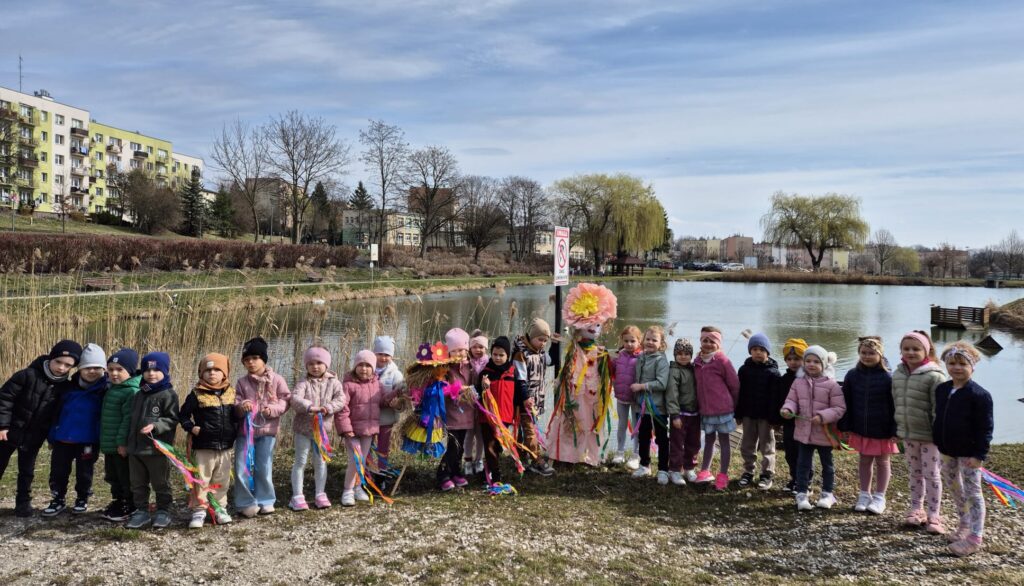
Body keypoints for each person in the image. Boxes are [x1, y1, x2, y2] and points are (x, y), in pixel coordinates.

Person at [0, 340, 82, 517]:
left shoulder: (65, 387)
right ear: (50, 358)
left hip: (34, 435)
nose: (61, 367)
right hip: (9, 431)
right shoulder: (26, 375)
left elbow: (57, 415)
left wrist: (51, 437)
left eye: (67, 365)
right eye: (58, 362)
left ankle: (23, 502)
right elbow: (5, 399)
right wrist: (3, 425)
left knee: (27, 470)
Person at [547, 283, 616, 467]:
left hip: (593, 393)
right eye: (590, 324)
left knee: (592, 419)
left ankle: (590, 455)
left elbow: (611, 372)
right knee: (572, 417)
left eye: (598, 325)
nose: (594, 328)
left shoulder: (601, 352)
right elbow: (568, 369)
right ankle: (567, 455)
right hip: (574, 391)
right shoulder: (573, 350)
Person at [934, 342, 992, 557]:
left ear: (972, 366)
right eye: (952, 363)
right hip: (947, 450)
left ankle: (975, 537)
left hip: (969, 453)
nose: (956, 368)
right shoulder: (942, 389)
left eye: (962, 364)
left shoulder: (979, 395)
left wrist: (979, 455)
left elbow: (985, 428)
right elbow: (939, 417)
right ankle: (964, 524)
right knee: (954, 487)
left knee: (973, 492)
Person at [43, 343, 108, 517]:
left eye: (97, 367)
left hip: (88, 441)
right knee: (58, 472)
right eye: (87, 368)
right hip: (63, 439)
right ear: (79, 368)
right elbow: (56, 415)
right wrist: (52, 437)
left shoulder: (106, 390)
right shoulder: (67, 388)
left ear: (103, 368)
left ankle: (82, 497)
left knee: (84, 472)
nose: (92, 371)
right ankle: (58, 498)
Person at [893, 330, 947, 533]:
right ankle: (916, 509)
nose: (910, 352)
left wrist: (939, 433)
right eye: (906, 348)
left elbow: (939, 408)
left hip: (930, 436)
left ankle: (934, 515)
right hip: (908, 433)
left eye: (916, 349)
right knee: (914, 473)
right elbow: (895, 402)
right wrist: (896, 427)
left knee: (932, 474)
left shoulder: (935, 376)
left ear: (926, 350)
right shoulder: (897, 374)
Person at [781, 345, 845, 511]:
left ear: (824, 364)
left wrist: (823, 417)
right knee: (803, 464)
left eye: (816, 361)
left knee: (827, 465)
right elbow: (792, 400)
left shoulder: (832, 385)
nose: (811, 364)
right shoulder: (798, 382)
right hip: (804, 432)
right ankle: (801, 493)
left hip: (824, 433)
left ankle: (827, 493)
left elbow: (839, 408)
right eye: (808, 360)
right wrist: (788, 409)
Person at [838, 336, 897, 515]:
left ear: (880, 354)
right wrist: (845, 425)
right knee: (864, 460)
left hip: (883, 429)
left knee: (883, 461)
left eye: (872, 353)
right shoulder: (852, 375)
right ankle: (864, 494)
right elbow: (846, 400)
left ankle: (880, 496)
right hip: (861, 428)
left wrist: (895, 429)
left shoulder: (888, 377)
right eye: (863, 353)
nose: (867, 356)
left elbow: (895, 405)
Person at [234, 336, 291, 518]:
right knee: (242, 466)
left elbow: (285, 401)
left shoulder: (277, 379)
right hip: (245, 432)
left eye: (255, 358)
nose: (251, 363)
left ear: (264, 359)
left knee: (264, 466)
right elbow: (235, 402)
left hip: (268, 431)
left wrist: (272, 409)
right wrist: (242, 405)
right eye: (247, 360)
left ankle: (265, 500)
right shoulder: (242, 382)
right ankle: (245, 502)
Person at [179, 353, 238, 528]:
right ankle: (199, 511)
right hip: (203, 446)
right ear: (201, 373)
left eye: (217, 370)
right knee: (202, 479)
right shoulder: (196, 394)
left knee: (222, 479)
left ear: (225, 373)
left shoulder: (232, 393)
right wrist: (191, 427)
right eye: (208, 370)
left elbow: (236, 416)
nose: (212, 373)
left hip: (226, 447)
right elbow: (182, 415)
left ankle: (219, 508)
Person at [125, 352, 179, 529]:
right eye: (148, 370)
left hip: (157, 451)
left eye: (156, 370)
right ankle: (141, 511)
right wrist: (127, 443)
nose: (151, 373)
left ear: (164, 371)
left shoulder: (168, 394)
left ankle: (163, 511)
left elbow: (172, 419)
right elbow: (131, 420)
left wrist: (156, 426)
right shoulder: (139, 393)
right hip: (136, 450)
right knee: (137, 483)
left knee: (161, 482)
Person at [289, 346, 346, 512]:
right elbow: (294, 399)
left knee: (320, 461)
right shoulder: (303, 383)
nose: (315, 366)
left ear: (326, 365)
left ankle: (320, 493)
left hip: (322, 431)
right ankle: (297, 496)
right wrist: (309, 406)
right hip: (303, 429)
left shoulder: (334, 382)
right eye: (311, 363)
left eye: (319, 363)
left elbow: (341, 399)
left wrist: (328, 408)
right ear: (306, 366)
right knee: (300, 460)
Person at [336, 350, 390, 505]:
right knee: (355, 460)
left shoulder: (377, 384)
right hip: (352, 431)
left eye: (368, 365)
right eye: (360, 365)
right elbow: (342, 408)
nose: (364, 369)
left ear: (373, 368)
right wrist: (346, 429)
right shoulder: (348, 385)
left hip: (368, 430)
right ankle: (347, 490)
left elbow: (384, 400)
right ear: (355, 367)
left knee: (362, 461)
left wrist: (396, 394)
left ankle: (358, 487)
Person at [692, 326, 740, 491]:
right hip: (706, 410)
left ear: (718, 343)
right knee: (709, 440)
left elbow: (734, 385)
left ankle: (723, 475)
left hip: (723, 410)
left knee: (724, 441)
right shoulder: (697, 362)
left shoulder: (722, 361)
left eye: (711, 341)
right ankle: (705, 471)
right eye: (704, 340)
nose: (707, 344)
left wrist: (734, 406)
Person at [476, 336, 527, 485]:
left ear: (507, 356)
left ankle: (489, 467)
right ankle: (495, 475)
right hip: (488, 417)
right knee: (490, 444)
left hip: (505, 417)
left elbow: (517, 395)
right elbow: (478, 394)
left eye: (501, 355)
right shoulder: (485, 373)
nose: (497, 358)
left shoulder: (512, 373)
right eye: (495, 354)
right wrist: (483, 386)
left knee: (498, 445)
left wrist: (524, 405)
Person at [99, 348, 141, 522]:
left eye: (119, 370)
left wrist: (122, 443)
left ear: (130, 371)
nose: (114, 373)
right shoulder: (113, 388)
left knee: (124, 476)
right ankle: (117, 501)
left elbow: (128, 421)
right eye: (110, 369)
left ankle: (129, 504)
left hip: (120, 446)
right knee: (112, 475)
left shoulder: (131, 391)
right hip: (109, 444)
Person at [735, 333, 782, 490]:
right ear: (750, 351)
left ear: (768, 352)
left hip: (766, 417)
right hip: (748, 414)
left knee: (767, 445)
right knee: (747, 444)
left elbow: (776, 398)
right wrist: (738, 414)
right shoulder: (743, 370)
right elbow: (739, 394)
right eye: (754, 349)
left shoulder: (774, 373)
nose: (758, 352)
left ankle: (767, 473)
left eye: (761, 349)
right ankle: (748, 471)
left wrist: (775, 419)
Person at [511, 319, 557, 476]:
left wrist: (555, 345)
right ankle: (537, 461)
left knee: (527, 430)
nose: (543, 343)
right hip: (525, 400)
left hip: (536, 400)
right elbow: (520, 379)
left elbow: (551, 361)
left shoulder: (541, 353)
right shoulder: (521, 354)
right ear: (531, 337)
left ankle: (521, 458)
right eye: (540, 339)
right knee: (531, 431)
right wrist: (525, 398)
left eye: (545, 340)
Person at [631, 326, 670, 483]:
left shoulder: (661, 360)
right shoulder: (641, 357)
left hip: (658, 407)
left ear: (661, 344)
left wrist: (642, 387)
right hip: (642, 407)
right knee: (643, 436)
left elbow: (662, 383)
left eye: (654, 340)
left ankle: (663, 469)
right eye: (648, 339)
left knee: (661, 438)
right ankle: (645, 465)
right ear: (643, 340)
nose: (650, 342)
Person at [777, 338, 809, 493]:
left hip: (805, 423)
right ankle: (794, 478)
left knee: (804, 453)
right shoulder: (783, 379)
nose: (793, 362)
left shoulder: (809, 378)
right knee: (790, 452)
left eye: (797, 359)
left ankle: (806, 481)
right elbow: (779, 400)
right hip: (789, 423)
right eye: (789, 359)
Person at [666, 338, 699, 485]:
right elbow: (672, 394)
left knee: (693, 443)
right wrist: (674, 415)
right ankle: (674, 470)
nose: (683, 356)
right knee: (677, 443)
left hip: (694, 414)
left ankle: (689, 467)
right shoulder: (674, 371)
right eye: (679, 353)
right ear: (674, 355)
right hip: (680, 414)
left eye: (687, 353)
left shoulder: (694, 369)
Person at [611, 325, 643, 467]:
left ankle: (636, 455)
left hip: (636, 399)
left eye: (632, 341)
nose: (629, 344)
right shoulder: (618, 355)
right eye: (626, 341)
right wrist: (602, 359)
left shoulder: (643, 357)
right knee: (622, 425)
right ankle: (620, 452)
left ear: (639, 341)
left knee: (637, 427)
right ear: (622, 341)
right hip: (621, 397)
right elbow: (610, 370)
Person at [373, 336, 406, 476]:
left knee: (383, 446)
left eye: (387, 355)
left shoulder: (396, 374)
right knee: (366, 446)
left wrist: (398, 404)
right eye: (380, 354)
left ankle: (382, 470)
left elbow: (403, 398)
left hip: (386, 418)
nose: (383, 358)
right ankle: (366, 471)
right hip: (368, 417)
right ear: (374, 354)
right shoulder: (366, 369)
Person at [463, 330, 489, 476]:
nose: (478, 350)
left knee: (480, 435)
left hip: (482, 405)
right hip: (468, 404)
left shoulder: (488, 363)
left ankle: (478, 460)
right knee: (469, 434)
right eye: (475, 347)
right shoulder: (466, 363)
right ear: (470, 348)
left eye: (481, 347)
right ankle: (467, 461)